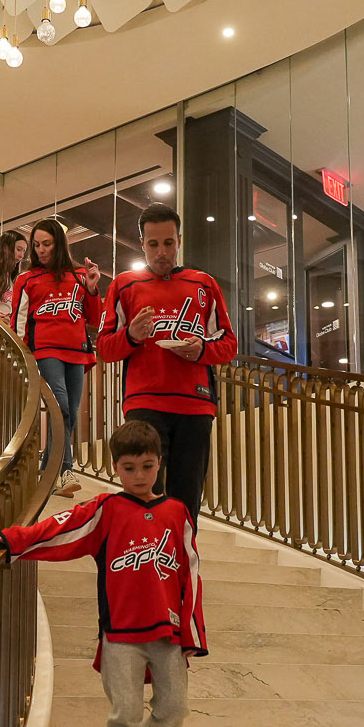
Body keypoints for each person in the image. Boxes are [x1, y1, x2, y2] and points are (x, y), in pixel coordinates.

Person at [0, 420, 206, 727]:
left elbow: (191, 574)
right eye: (130, 468)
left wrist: (192, 636)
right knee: (123, 717)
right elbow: (62, 530)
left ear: (160, 464)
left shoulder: (176, 513)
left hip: (167, 634)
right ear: (115, 469)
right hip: (121, 637)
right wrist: (15, 540)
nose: (140, 476)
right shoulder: (107, 510)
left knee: (175, 709)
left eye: (147, 466)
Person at [95, 204, 238, 520]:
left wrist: (201, 349)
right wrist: (131, 335)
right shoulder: (123, 285)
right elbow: (104, 349)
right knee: (145, 499)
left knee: (187, 502)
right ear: (143, 244)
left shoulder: (204, 284)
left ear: (179, 241)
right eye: (154, 244)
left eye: (168, 243)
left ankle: (184, 568)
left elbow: (228, 345)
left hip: (196, 406)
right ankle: (147, 566)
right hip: (144, 404)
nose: (162, 252)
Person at [14, 217, 104, 497]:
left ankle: (47, 470)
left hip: (77, 351)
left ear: (59, 244)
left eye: (47, 244)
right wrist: (22, 355)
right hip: (45, 350)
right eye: (37, 244)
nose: (41, 250)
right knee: (61, 407)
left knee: (70, 414)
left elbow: (94, 318)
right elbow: (18, 321)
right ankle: (65, 471)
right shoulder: (26, 279)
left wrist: (91, 288)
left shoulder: (78, 275)